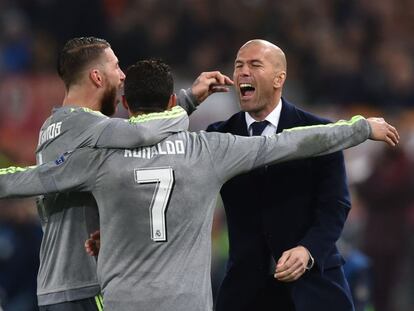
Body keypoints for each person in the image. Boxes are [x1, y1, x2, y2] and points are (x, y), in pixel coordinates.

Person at [0, 59, 398, 311]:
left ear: (125, 106)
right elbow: (292, 141)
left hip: (123, 302)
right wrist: (360, 128)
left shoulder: (102, 156)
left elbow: (31, 179)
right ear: (173, 101)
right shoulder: (209, 149)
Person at [31, 36, 231, 311]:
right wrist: (187, 102)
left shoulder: (53, 126)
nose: (123, 75)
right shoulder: (89, 127)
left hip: (56, 282)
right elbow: (143, 131)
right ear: (97, 77)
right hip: (83, 285)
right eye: (115, 66)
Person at [206, 39, 372, 311]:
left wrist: (307, 251)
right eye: (238, 65)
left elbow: (335, 205)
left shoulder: (319, 131)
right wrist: (191, 99)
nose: (243, 72)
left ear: (278, 78)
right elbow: (172, 153)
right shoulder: (218, 135)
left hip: (313, 286)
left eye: (254, 64)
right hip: (246, 291)